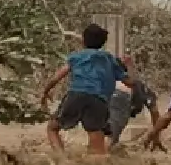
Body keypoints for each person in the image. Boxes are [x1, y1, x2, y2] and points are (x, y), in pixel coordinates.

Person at [41, 23, 123, 157]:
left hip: (76, 95)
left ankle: (63, 162)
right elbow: (128, 81)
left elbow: (56, 77)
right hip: (98, 99)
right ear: (103, 43)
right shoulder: (110, 59)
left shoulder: (76, 57)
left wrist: (45, 92)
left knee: (52, 128)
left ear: (84, 41)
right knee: (96, 137)